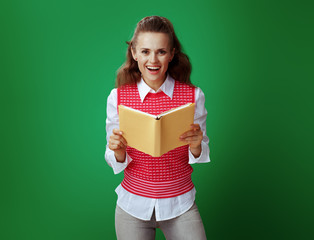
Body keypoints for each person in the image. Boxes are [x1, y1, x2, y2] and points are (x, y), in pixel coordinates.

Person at [105, 16, 210, 240]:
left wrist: (196, 145)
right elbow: (114, 158)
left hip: (180, 203)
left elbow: (200, 154)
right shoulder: (118, 97)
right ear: (134, 53)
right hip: (132, 205)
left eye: (161, 51)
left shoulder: (193, 96)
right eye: (145, 51)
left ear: (172, 54)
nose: (153, 59)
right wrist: (118, 150)